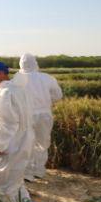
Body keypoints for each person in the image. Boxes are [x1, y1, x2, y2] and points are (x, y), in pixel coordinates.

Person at [0, 61, 40, 202]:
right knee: (16, 174)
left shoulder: (6, 93)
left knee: (3, 178)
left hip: (9, 140)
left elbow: (7, 124)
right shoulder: (21, 90)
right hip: (24, 137)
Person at [19, 53, 63, 182]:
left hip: (26, 114)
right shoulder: (47, 78)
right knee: (42, 142)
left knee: (26, 142)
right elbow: (58, 95)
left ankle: (27, 174)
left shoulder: (17, 79)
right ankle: (39, 171)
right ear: (36, 64)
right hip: (44, 114)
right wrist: (46, 101)